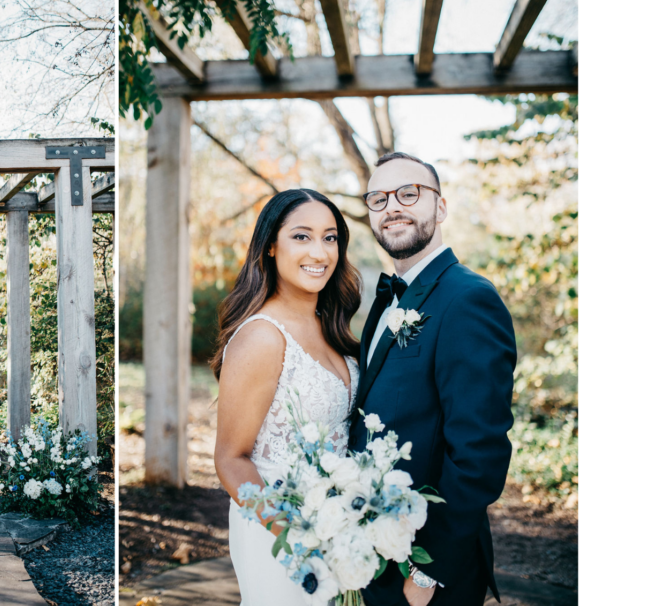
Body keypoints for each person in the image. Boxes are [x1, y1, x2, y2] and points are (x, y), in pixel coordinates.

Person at [350, 152, 515, 606]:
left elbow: (480, 452)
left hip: (428, 569)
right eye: (378, 199)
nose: (392, 207)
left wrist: (427, 573)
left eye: (409, 193)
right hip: (374, 554)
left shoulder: (469, 299)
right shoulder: (386, 302)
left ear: (440, 208)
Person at [212, 189, 363, 604]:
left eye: (330, 238)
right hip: (278, 534)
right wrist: (295, 537)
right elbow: (230, 459)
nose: (320, 251)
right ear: (271, 247)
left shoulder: (332, 327)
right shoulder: (262, 336)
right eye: (302, 236)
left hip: (337, 528)